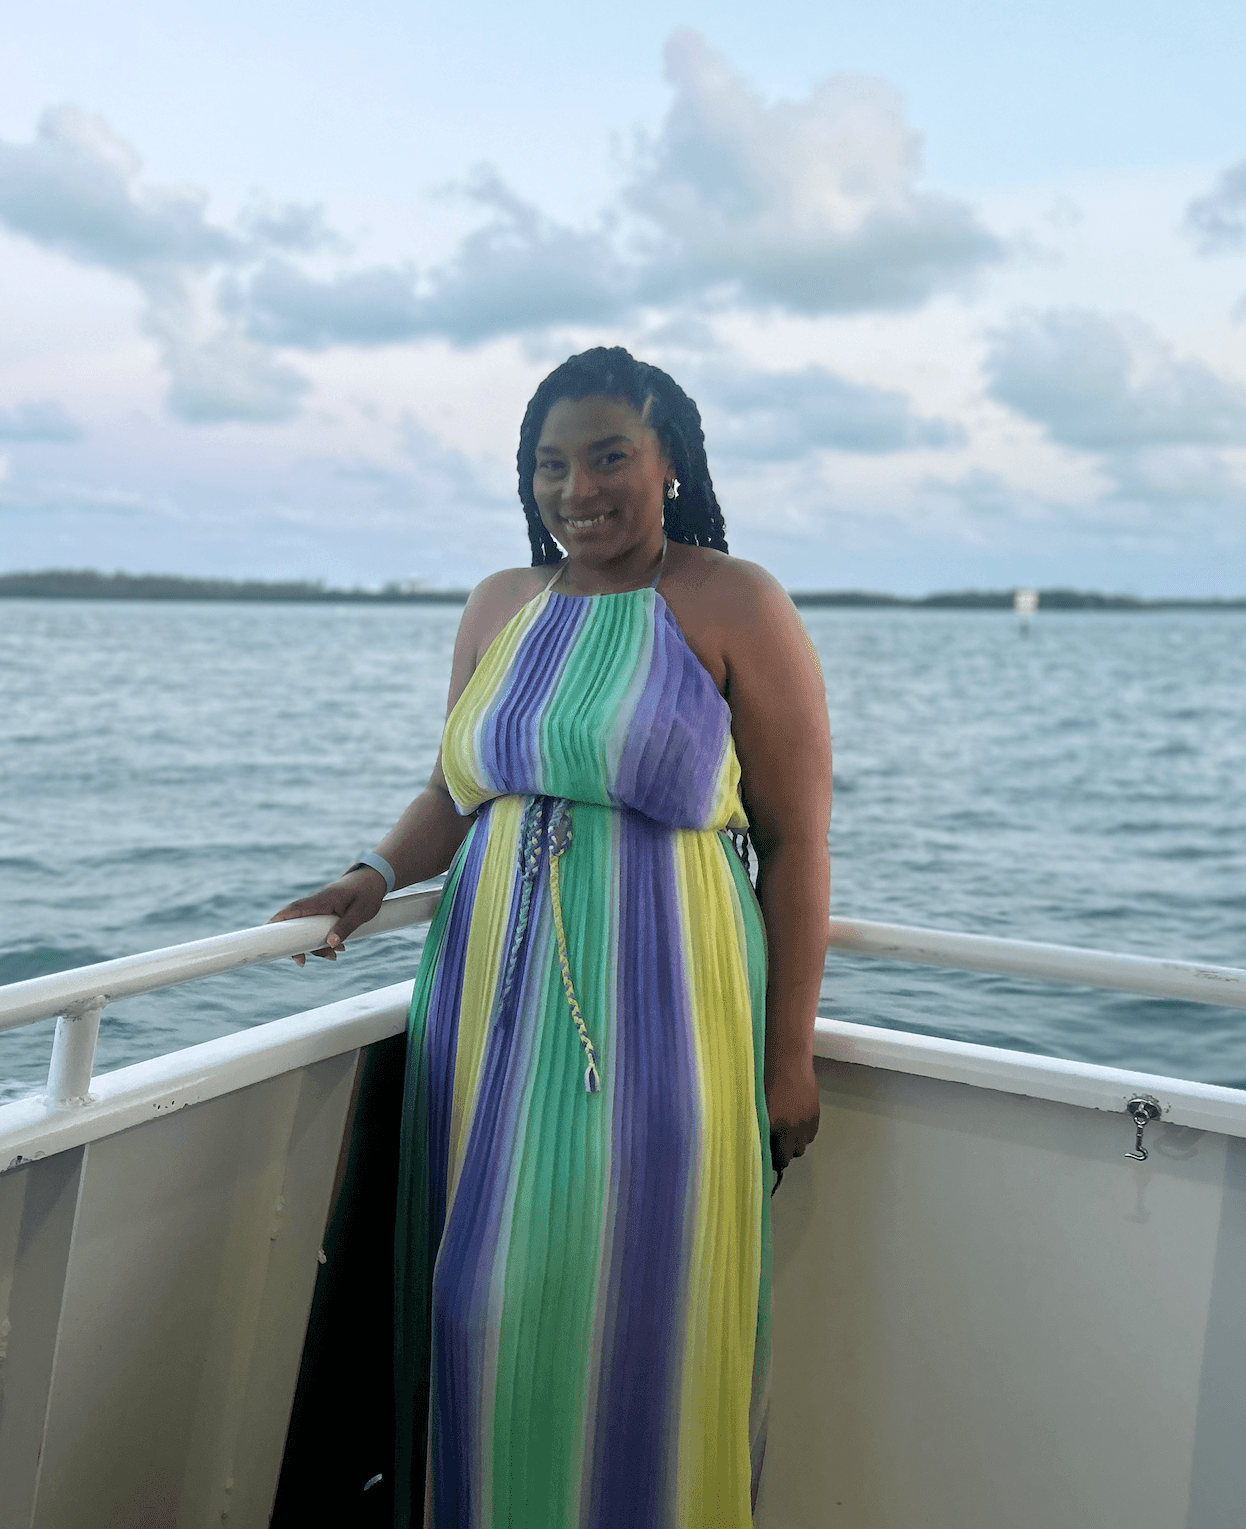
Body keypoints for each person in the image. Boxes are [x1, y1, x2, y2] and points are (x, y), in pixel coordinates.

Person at [271, 346, 831, 1529]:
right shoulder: (499, 605)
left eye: (609, 456)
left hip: (670, 1012)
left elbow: (797, 843)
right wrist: (371, 873)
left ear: (668, 461)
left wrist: (789, 1059)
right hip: (487, 1008)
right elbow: (453, 790)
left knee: (639, 1302)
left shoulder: (737, 602)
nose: (580, 487)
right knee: (478, 1300)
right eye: (552, 463)